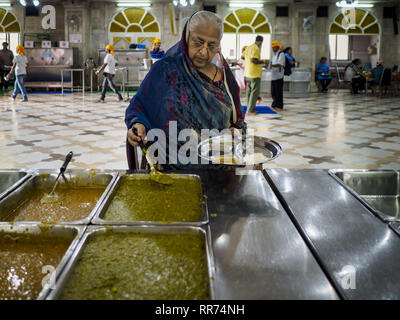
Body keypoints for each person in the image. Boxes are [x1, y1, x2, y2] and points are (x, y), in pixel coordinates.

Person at [125, 11, 245, 170]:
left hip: (218, 173)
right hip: (171, 175)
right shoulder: (166, 71)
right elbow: (138, 106)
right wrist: (137, 124)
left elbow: (238, 122)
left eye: (211, 45)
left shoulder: (227, 81)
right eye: (198, 42)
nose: (204, 52)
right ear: (186, 38)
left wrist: (240, 144)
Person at [244, 35, 268, 116]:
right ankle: (250, 111)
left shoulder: (248, 47)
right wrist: (263, 62)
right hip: (254, 74)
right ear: (260, 42)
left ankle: (249, 108)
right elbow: (253, 60)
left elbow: (243, 57)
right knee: (254, 92)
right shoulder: (256, 48)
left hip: (247, 73)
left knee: (249, 92)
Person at [270, 41, 285, 110]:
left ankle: (279, 105)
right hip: (273, 76)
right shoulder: (274, 54)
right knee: (273, 92)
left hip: (279, 76)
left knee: (278, 92)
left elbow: (279, 64)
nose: (273, 49)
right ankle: (274, 104)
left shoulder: (281, 54)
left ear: (277, 47)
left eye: (274, 47)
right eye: (272, 47)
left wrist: (271, 65)